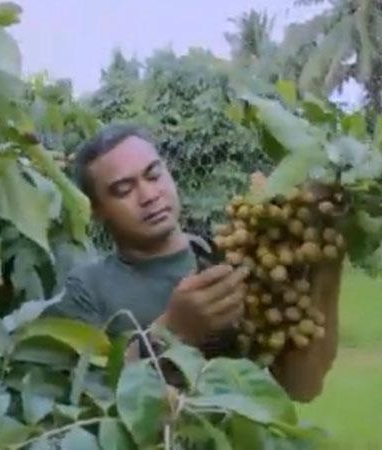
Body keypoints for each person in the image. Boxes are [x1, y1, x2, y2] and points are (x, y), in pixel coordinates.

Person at [45, 122, 343, 402]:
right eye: (124, 190)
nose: (149, 195)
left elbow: (303, 386)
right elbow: (83, 402)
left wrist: (329, 253)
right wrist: (173, 332)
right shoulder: (85, 290)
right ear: (97, 210)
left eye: (153, 175)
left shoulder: (235, 259)